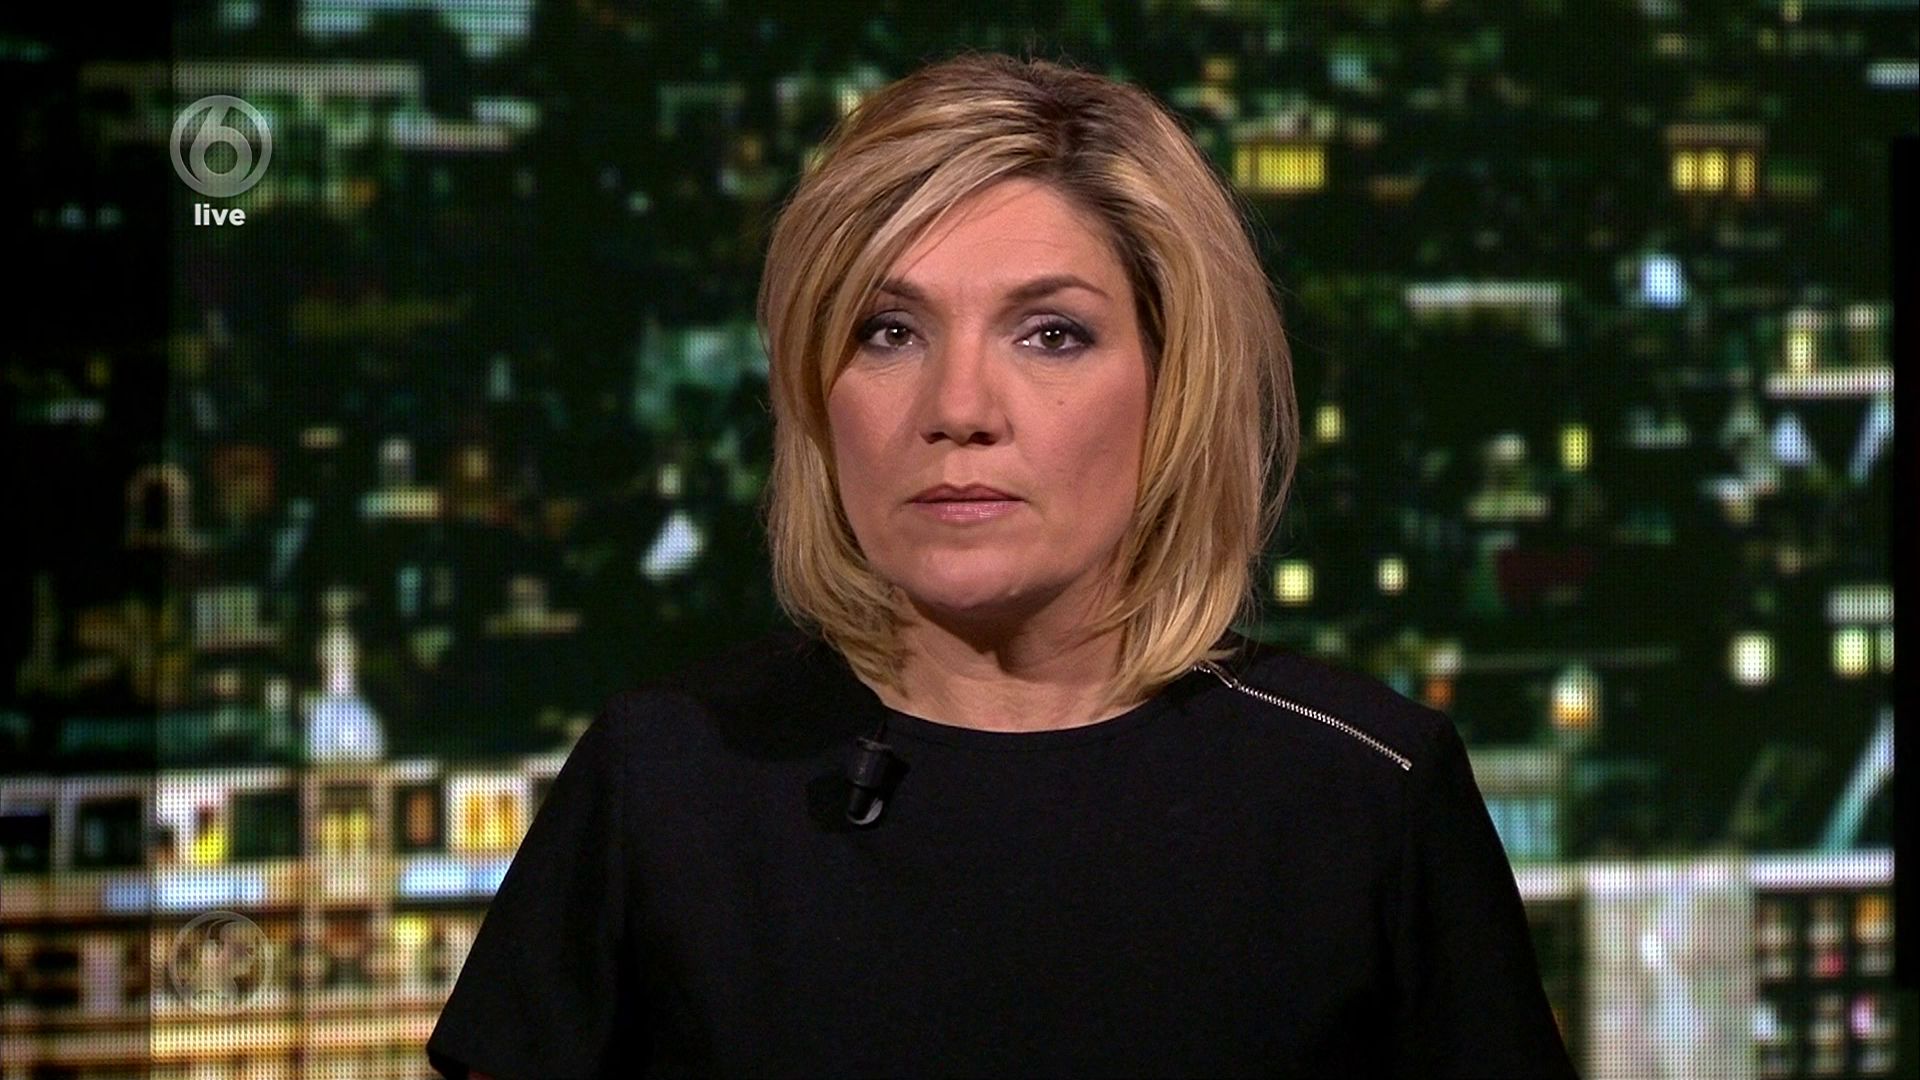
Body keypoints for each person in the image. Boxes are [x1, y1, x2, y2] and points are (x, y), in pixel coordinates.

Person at [426, 51, 1581, 1079]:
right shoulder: (668, 778)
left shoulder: (1363, 793)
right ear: (815, 394)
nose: (960, 407)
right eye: (888, 331)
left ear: (1174, 382)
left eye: (1050, 334)